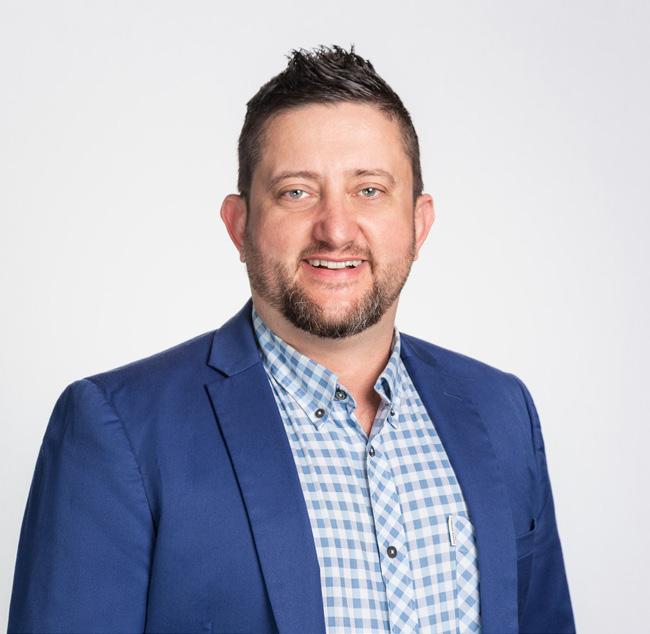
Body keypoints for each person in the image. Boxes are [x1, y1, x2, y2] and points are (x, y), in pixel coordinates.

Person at [8, 45, 575, 634]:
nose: (335, 229)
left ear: (418, 222)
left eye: (369, 190)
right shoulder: (118, 431)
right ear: (240, 224)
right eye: (297, 192)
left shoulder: (501, 411)